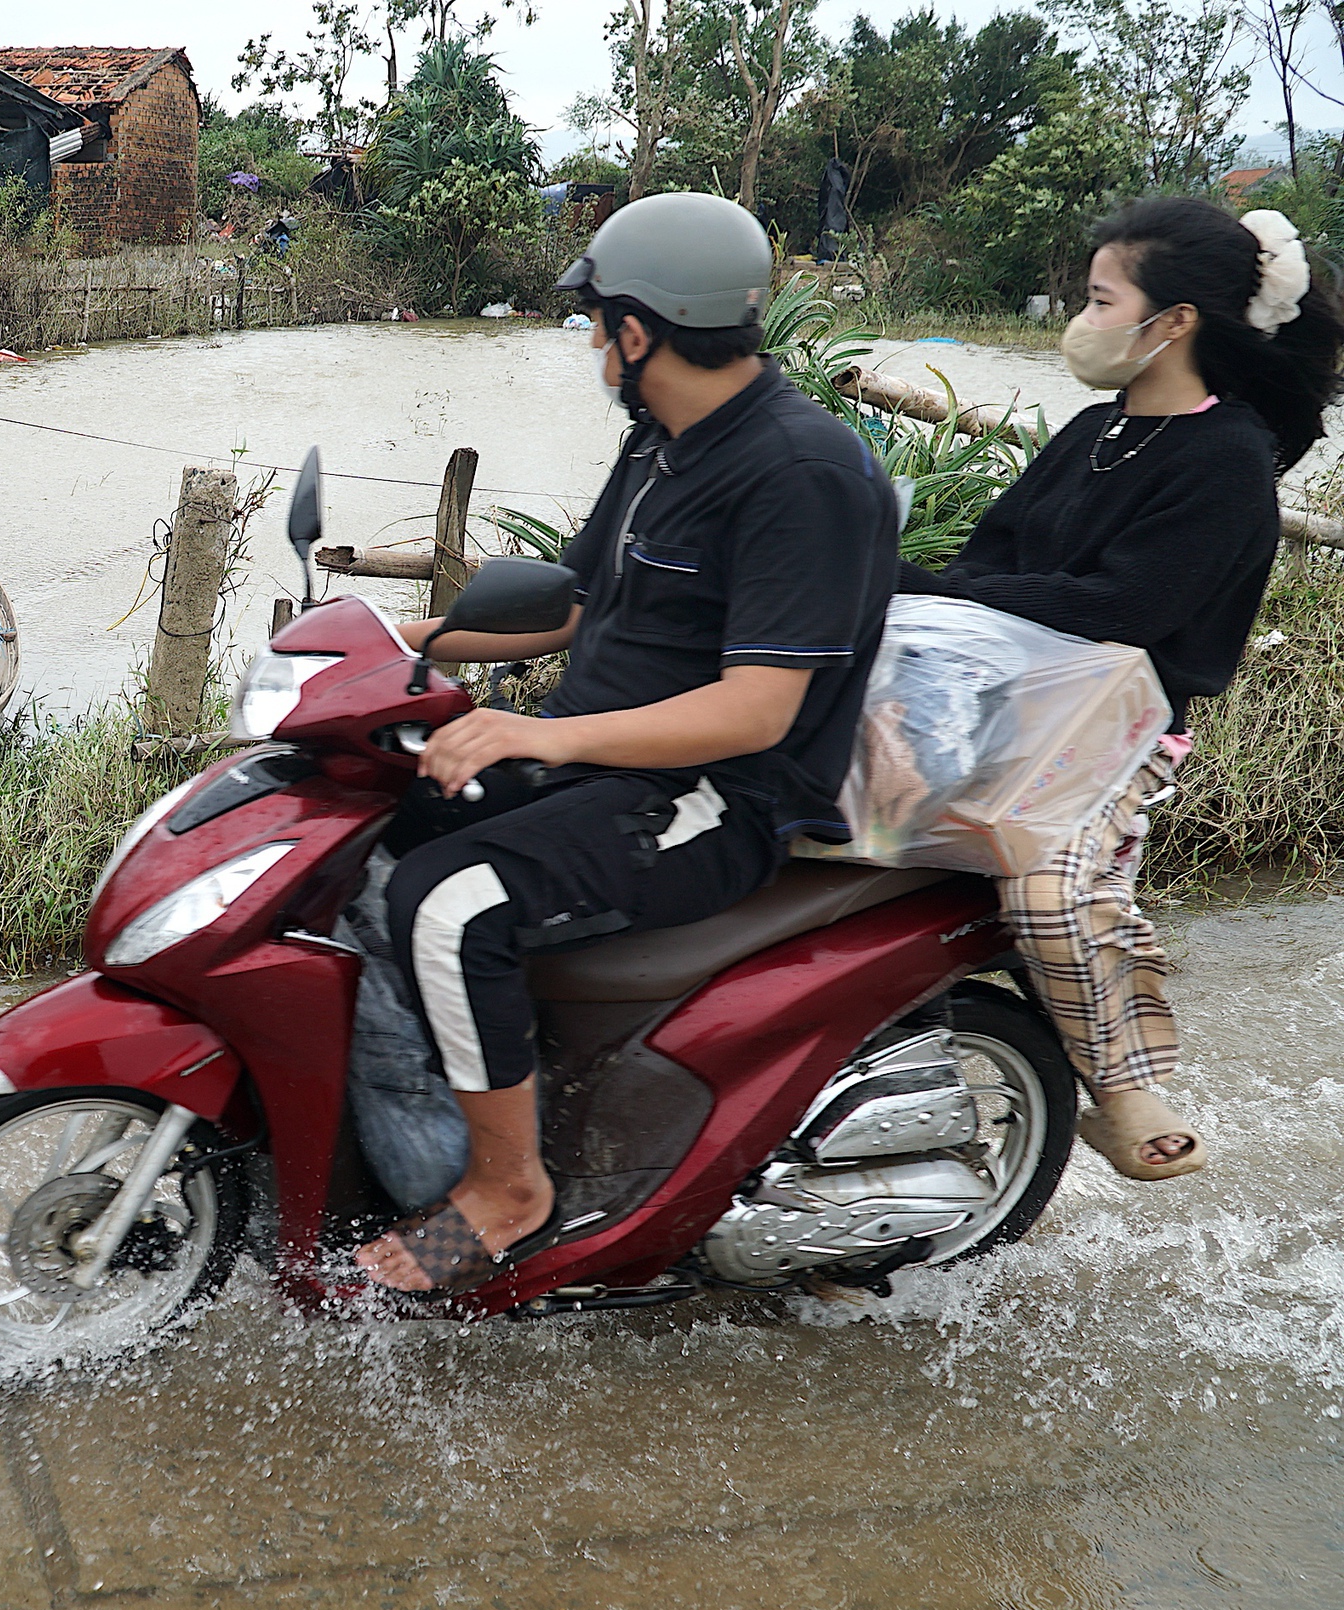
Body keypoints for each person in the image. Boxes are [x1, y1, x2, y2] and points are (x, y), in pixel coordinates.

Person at [356, 192, 900, 1294]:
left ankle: (509, 1189)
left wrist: (541, 740)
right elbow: (566, 603)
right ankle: (423, 1114)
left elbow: (757, 711)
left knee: (450, 901)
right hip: (600, 757)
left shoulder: (801, 472)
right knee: (361, 817)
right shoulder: (663, 441)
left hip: (715, 794)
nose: (592, 341)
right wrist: (386, 641)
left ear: (638, 331)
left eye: (596, 319)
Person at [897, 197, 1343, 1182]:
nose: (1080, 316)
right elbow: (993, 558)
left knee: (1049, 887)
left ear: (1171, 320)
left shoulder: (1226, 459)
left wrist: (930, 587)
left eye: (1099, 298)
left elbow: (1122, 606)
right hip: (998, 705)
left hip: (1113, 734)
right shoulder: (1092, 429)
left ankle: (1123, 1088)